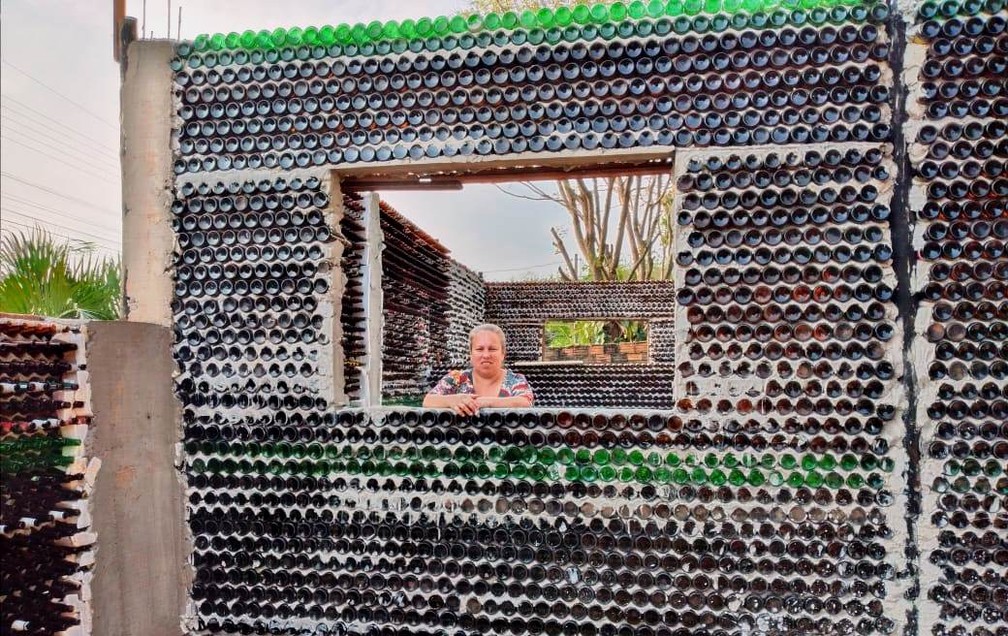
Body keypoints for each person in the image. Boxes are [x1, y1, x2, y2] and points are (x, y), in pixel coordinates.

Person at [423, 323, 534, 416]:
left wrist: (486, 402)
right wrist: (452, 400)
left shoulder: (515, 380)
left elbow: (525, 402)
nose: (486, 355)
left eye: (492, 349)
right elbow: (428, 400)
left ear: (503, 353)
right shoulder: (456, 378)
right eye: (479, 349)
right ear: (471, 354)